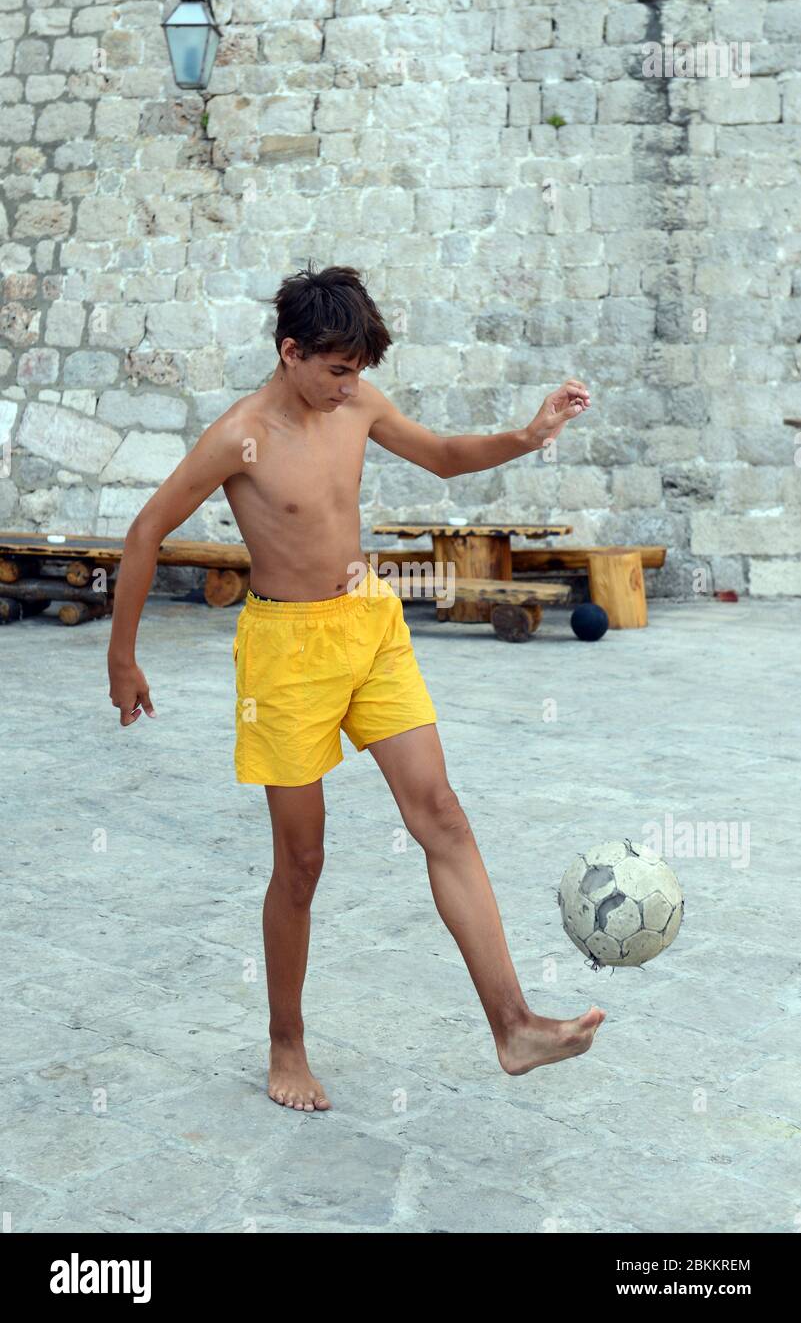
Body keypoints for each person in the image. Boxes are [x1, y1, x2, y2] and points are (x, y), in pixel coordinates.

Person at [107, 262, 605, 1113]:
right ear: (291, 352)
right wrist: (123, 658)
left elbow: (444, 458)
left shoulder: (358, 404)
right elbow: (147, 531)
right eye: (336, 370)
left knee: (441, 814)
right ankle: (286, 1043)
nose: (350, 388)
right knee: (301, 862)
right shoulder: (240, 436)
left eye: (358, 372)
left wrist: (528, 436)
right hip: (285, 657)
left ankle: (514, 1024)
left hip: (369, 627)